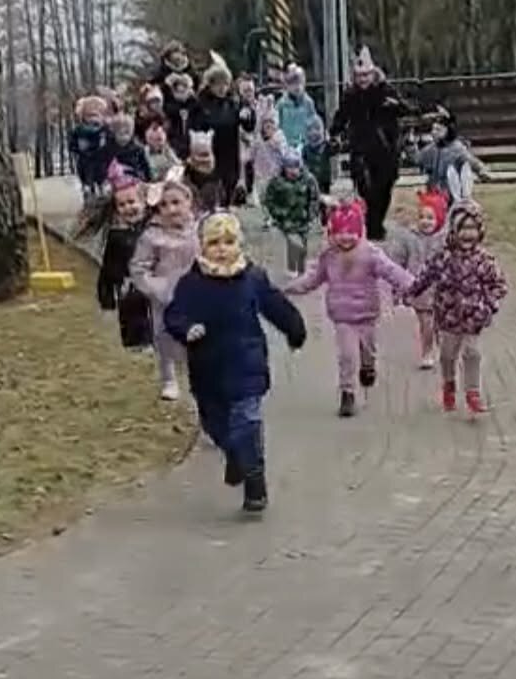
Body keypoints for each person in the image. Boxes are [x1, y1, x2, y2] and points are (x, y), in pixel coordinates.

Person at [164, 211, 306, 515]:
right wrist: (186, 328)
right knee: (215, 424)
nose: (222, 249)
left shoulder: (252, 277)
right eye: (214, 243)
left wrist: (295, 329)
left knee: (246, 421)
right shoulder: (191, 283)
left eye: (229, 242)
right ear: (202, 247)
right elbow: (174, 315)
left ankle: (255, 482)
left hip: (246, 364)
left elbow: (276, 305)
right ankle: (235, 455)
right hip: (207, 369)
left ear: (239, 244)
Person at [285, 196, 412, 418]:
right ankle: (347, 393)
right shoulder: (328, 256)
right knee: (347, 355)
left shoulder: (370, 253)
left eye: (351, 232)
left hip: (367, 312)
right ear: (332, 233)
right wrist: (291, 288)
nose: (345, 237)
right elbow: (313, 278)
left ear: (359, 231)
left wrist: (411, 284)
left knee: (368, 349)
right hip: (342, 315)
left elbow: (391, 271)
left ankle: (368, 366)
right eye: (340, 232)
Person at [405, 199, 507, 416]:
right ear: (453, 230)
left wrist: (488, 305)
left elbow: (499, 285)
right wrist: (410, 292)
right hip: (448, 317)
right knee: (447, 355)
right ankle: (449, 383)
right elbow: (426, 276)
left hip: (473, 318)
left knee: (472, 353)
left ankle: (473, 392)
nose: (468, 234)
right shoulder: (444, 257)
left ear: (480, 231)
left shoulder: (484, 260)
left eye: (473, 228)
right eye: (463, 228)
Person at [128, 172, 200, 400]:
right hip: (166, 295)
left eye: (176, 202)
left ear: (188, 201)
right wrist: (157, 288)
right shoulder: (152, 236)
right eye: (164, 205)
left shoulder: (200, 229)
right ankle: (169, 379)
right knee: (166, 338)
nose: (171, 209)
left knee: (198, 335)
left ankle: (199, 376)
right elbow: (139, 268)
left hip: (198, 293)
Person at [329, 46, 407, 241]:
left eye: (366, 75)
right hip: (361, 148)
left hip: (386, 148)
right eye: (359, 76)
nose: (363, 80)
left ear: (373, 74)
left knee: (384, 188)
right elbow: (341, 116)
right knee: (365, 188)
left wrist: (395, 106)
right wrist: (335, 133)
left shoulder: (386, 91)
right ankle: (372, 225)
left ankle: (376, 224)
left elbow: (404, 109)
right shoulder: (351, 95)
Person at [88, 162, 152, 349]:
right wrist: (106, 300)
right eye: (122, 205)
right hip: (131, 291)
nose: (128, 208)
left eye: (132, 202)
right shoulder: (116, 237)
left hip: (156, 288)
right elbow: (108, 270)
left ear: (143, 202)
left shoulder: (155, 227)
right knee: (136, 330)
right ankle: (137, 346)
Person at [387, 189, 449, 369]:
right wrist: (397, 288)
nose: (425, 221)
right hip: (419, 288)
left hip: (442, 288)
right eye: (421, 217)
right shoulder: (410, 238)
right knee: (425, 322)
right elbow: (398, 262)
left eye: (430, 218)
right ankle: (427, 351)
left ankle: (443, 346)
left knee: (441, 322)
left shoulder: (445, 240)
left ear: (439, 219)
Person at [191, 54, 242, 205]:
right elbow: (196, 129)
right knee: (211, 194)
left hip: (230, 156)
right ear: (210, 84)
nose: (222, 88)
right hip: (210, 155)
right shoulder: (201, 105)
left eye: (225, 84)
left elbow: (243, 126)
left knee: (228, 193)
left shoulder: (233, 104)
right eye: (218, 84)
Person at [263, 147, 319, 275]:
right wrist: (277, 213)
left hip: (303, 219)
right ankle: (292, 267)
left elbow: (314, 197)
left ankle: (301, 268)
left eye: (295, 166)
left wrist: (311, 214)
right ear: (284, 167)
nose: (292, 170)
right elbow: (269, 200)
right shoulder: (277, 181)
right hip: (286, 220)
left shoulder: (308, 179)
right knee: (292, 243)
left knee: (302, 244)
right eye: (289, 167)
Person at [418, 107, 491, 204]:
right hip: (434, 194)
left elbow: (470, 160)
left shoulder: (456, 148)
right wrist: (410, 146)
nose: (433, 132)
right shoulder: (430, 149)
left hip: (452, 195)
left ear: (448, 130)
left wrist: (482, 170)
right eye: (433, 129)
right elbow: (417, 159)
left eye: (438, 129)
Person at [251, 101, 288, 224]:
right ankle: (267, 215)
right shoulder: (258, 139)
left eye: (271, 123)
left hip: (275, 173)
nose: (268, 126)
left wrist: (275, 144)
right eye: (265, 123)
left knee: (274, 196)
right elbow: (252, 152)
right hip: (261, 173)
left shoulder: (279, 137)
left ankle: (275, 216)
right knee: (262, 197)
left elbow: (284, 152)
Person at [68, 94, 110, 198]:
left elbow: (111, 141)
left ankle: (98, 191)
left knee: (99, 177)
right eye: (89, 116)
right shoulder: (79, 130)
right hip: (88, 160)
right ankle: (91, 191)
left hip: (98, 160)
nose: (93, 119)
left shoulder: (104, 129)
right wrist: (76, 148)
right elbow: (72, 144)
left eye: (96, 115)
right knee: (90, 177)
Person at [99, 111, 151, 184]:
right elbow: (102, 172)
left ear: (132, 132)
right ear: (113, 132)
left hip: (135, 182)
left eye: (127, 132)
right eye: (120, 133)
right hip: (114, 183)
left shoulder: (138, 148)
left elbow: (146, 170)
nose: (124, 136)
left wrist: (140, 177)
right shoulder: (106, 150)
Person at [277, 64, 319, 151]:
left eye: (299, 83)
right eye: (293, 84)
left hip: (305, 146)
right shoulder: (281, 104)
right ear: (287, 86)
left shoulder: (308, 102)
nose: (297, 87)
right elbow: (277, 125)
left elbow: (314, 123)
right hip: (286, 147)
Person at [184, 130, 224, 214]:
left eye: (205, 155)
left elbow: (220, 203)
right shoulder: (183, 176)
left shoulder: (216, 180)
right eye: (200, 156)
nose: (203, 160)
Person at [303, 114, 333, 219]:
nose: (313, 132)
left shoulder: (326, 145)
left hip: (324, 179)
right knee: (311, 199)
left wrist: (333, 141)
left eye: (316, 129)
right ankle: (311, 217)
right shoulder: (306, 148)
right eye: (310, 130)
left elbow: (336, 149)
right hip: (311, 179)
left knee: (324, 201)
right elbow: (303, 162)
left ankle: (325, 219)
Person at [235, 74, 259, 203]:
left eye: (250, 90)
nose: (248, 93)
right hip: (243, 145)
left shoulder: (260, 104)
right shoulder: (236, 108)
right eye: (245, 91)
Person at [164, 71, 195, 160]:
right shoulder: (169, 105)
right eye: (178, 86)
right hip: (174, 143)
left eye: (184, 86)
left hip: (191, 143)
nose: (181, 89)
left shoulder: (194, 104)